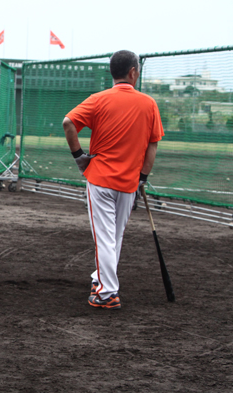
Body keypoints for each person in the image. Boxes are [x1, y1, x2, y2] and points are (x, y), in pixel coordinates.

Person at [62, 50, 164, 310]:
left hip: (100, 179)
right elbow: (152, 146)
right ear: (132, 72)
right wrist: (142, 178)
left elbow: (68, 123)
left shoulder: (99, 99)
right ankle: (101, 279)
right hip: (129, 182)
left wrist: (79, 157)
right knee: (114, 237)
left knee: (105, 238)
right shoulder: (149, 103)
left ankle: (107, 293)